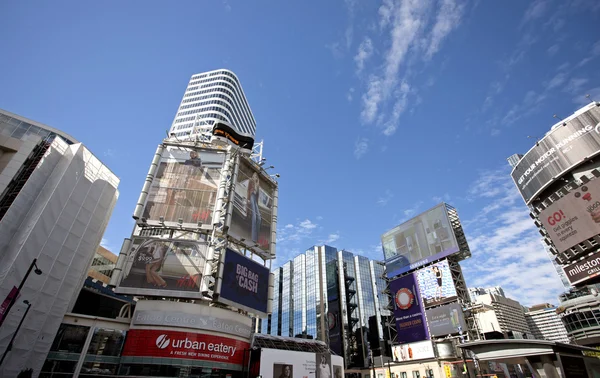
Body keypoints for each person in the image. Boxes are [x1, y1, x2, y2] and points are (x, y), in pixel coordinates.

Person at [247, 172, 262, 243]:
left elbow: (258, 195)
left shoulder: (258, 185)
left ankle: (257, 237)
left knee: (259, 218)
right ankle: (253, 238)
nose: (255, 177)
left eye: (256, 176)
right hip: (251, 196)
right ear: (253, 176)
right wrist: (248, 199)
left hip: (255, 199)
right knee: (254, 216)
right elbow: (248, 190)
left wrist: (257, 184)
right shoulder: (250, 180)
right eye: (254, 175)